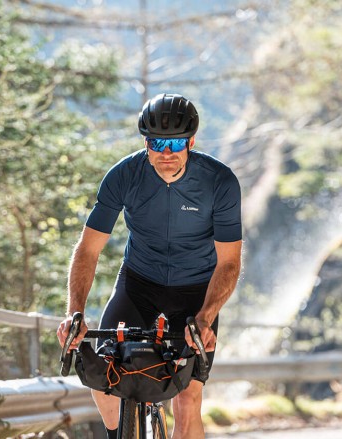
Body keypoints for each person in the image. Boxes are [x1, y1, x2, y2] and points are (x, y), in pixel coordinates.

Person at [57, 93, 242, 439]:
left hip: (196, 293)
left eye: (176, 143)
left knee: (187, 398)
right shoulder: (124, 176)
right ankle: (119, 433)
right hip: (139, 284)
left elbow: (229, 262)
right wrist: (75, 314)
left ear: (191, 142)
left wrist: (205, 318)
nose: (166, 152)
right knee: (104, 374)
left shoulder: (219, 182)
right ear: (146, 143)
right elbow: (88, 250)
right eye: (157, 143)